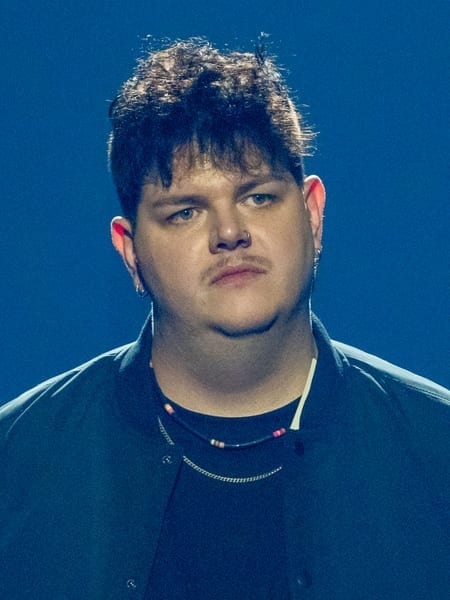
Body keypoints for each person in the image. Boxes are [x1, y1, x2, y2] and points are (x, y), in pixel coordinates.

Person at [0, 39, 449, 600]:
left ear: (312, 215)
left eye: (258, 198)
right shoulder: (16, 464)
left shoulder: (437, 449)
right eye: (185, 212)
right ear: (130, 252)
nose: (229, 233)